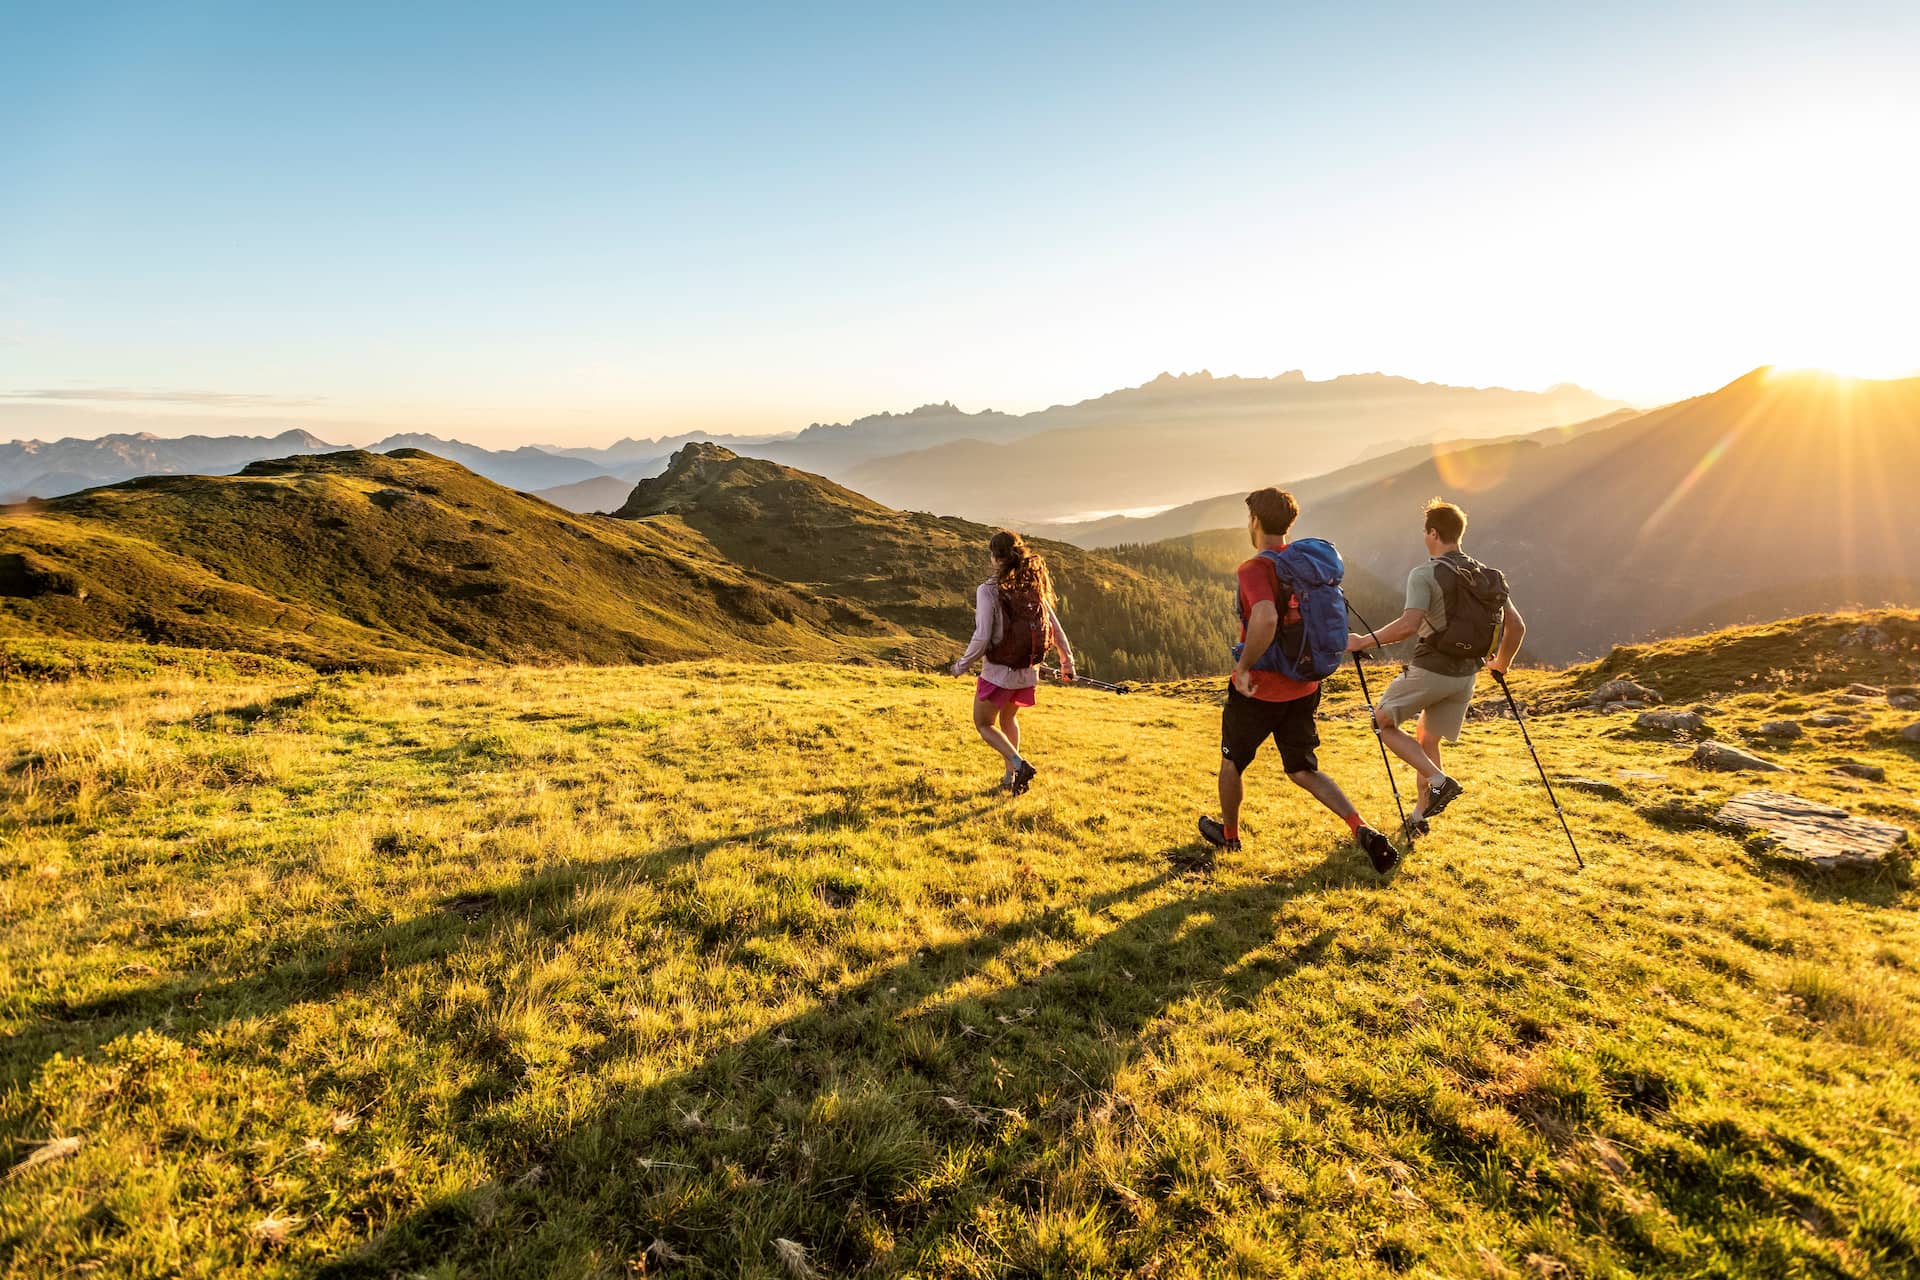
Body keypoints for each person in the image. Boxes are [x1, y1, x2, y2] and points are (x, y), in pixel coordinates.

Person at [1197, 488, 1399, 872]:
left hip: (1260, 688)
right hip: (1305, 684)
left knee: (1232, 763)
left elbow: (1266, 618)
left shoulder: (1254, 569)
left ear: (1254, 522)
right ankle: (1361, 828)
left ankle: (1230, 836)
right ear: (1289, 522)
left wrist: (1243, 670)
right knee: (1303, 769)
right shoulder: (1309, 565)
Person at [1346, 498, 1526, 838]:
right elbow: (1516, 627)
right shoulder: (1489, 576)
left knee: (1382, 721)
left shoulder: (1426, 573)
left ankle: (1439, 781)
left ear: (1432, 533)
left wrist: (1360, 642)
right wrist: (1501, 663)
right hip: (1466, 677)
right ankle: (1418, 818)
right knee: (1427, 742)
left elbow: (1407, 625)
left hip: (1432, 669)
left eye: (1425, 532)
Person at [951, 530, 1074, 794]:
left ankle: (1018, 765)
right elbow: (1054, 626)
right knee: (1008, 720)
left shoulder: (989, 590)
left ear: (994, 557)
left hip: (999, 674)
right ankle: (1010, 779)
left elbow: (982, 636)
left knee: (984, 723)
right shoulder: (1033, 584)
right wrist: (1067, 662)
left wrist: (961, 665)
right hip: (1028, 673)